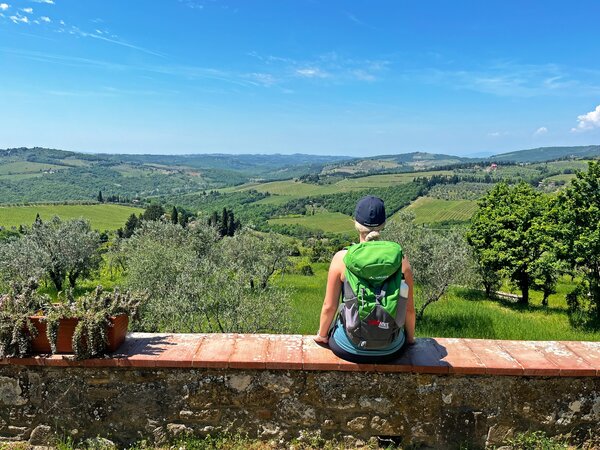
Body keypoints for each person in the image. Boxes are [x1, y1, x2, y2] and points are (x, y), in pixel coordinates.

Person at [314, 195, 416, 363]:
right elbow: (409, 309)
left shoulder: (342, 258)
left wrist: (322, 335)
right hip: (391, 349)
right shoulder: (400, 259)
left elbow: (329, 307)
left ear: (356, 223)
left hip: (348, 347)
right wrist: (410, 340)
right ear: (383, 224)